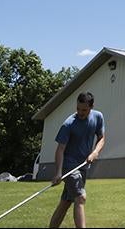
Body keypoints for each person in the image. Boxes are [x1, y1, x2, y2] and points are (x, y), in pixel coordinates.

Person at [48, 92, 106, 229]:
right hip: (69, 166)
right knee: (80, 197)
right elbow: (60, 149)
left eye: (84, 110)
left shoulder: (98, 117)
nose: (80, 112)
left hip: (83, 166)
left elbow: (102, 138)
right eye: (78, 109)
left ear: (91, 107)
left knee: (66, 202)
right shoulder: (69, 124)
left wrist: (95, 152)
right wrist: (58, 173)